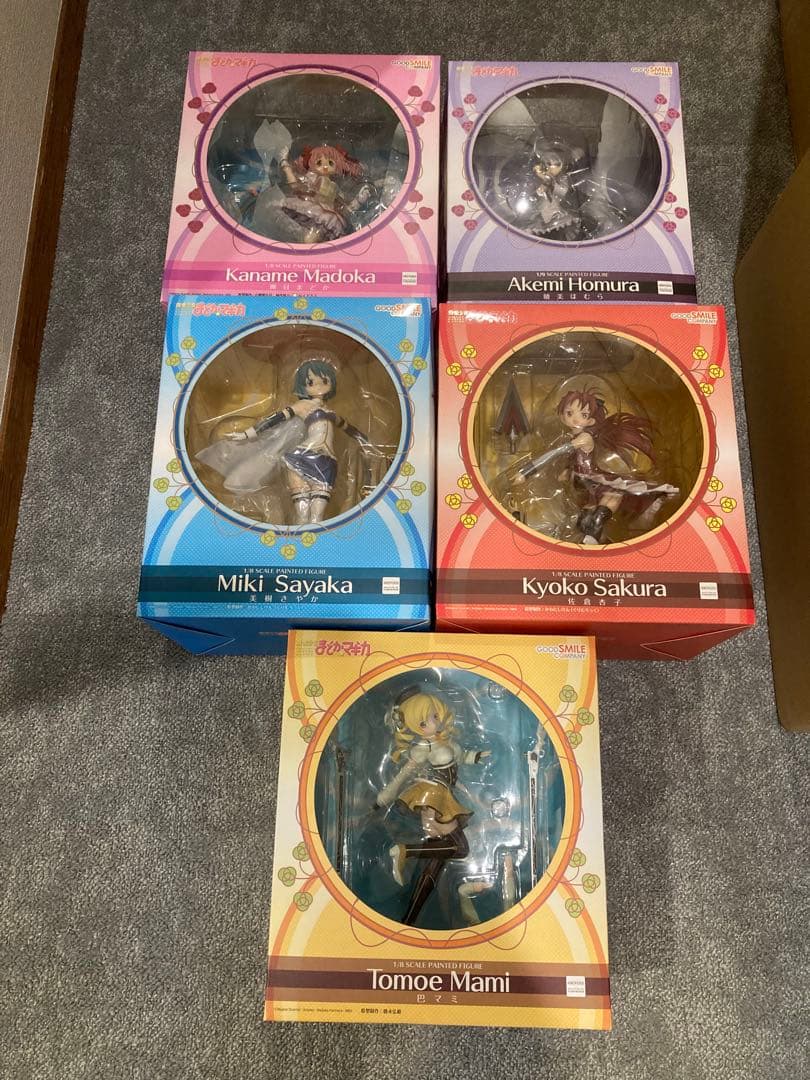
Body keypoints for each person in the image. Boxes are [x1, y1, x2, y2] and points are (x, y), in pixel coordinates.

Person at [374, 688, 490, 927]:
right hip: (434, 800)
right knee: (460, 847)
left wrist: (478, 757)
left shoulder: (446, 742)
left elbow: (463, 757)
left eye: (434, 716)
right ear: (413, 727)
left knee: (436, 864)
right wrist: (384, 797)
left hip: (443, 797)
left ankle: (409, 919)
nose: (433, 723)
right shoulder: (422, 749)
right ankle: (405, 850)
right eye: (424, 722)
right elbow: (402, 776)